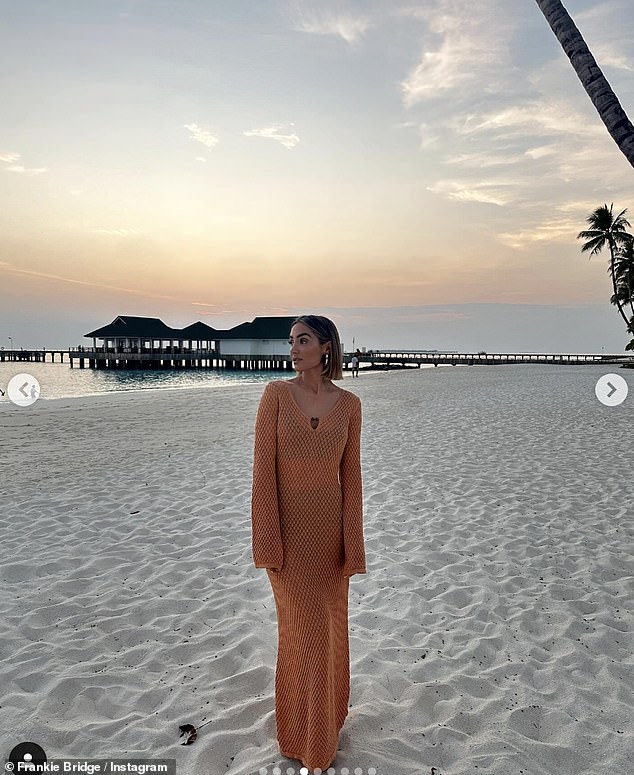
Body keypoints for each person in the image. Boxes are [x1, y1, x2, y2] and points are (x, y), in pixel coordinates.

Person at [251, 314, 366, 772]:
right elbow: (263, 474)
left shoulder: (351, 405)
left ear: (326, 348)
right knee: (304, 634)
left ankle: (324, 726)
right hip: (288, 540)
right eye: (291, 341)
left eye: (303, 340)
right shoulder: (275, 396)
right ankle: (304, 736)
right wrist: (266, 542)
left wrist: (353, 548)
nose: (293, 348)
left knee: (329, 629)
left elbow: (351, 479)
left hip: (331, 541)